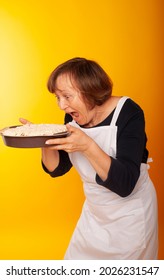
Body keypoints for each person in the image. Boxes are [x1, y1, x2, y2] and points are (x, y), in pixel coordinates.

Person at [21, 57, 158, 259]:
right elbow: (58, 169)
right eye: (57, 98)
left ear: (90, 90)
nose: (61, 105)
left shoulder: (129, 113)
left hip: (130, 217)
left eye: (67, 96)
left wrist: (87, 145)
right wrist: (43, 141)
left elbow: (125, 184)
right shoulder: (74, 115)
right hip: (94, 215)